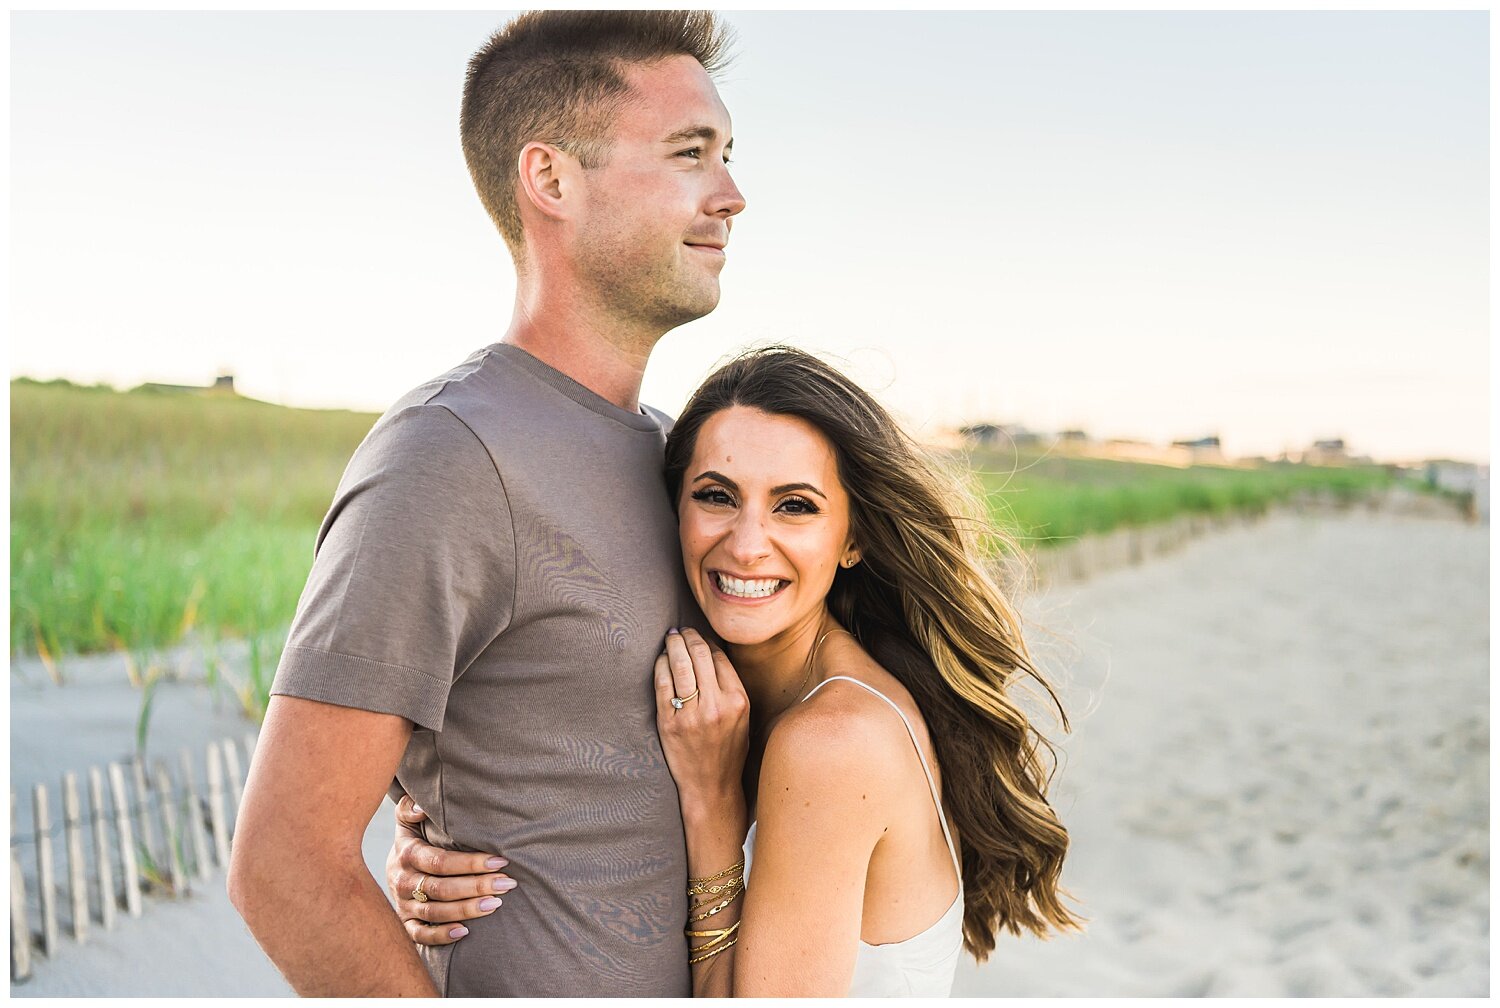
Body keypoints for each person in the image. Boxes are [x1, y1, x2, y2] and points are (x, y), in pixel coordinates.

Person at [227, 10, 745, 997]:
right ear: (551, 179)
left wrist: (431, 802)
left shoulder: (691, 460)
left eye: (726, 155)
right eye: (691, 154)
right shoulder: (450, 456)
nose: (732, 195)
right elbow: (284, 866)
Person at [395, 346, 1081, 996]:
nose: (748, 545)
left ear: (854, 539)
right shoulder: (746, 692)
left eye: (795, 506)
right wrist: (434, 840)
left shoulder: (833, 740)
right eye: (717, 496)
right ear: (675, 512)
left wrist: (714, 809)